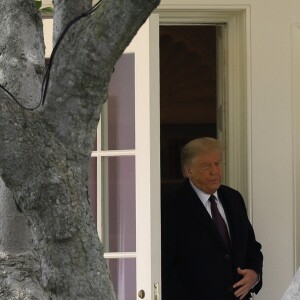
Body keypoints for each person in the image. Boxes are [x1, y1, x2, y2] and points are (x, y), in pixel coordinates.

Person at [161, 137, 263, 300]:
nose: (214, 171)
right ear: (188, 171)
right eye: (206, 165)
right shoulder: (170, 205)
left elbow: (252, 246)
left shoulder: (233, 198)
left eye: (217, 164)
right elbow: (167, 268)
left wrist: (255, 274)